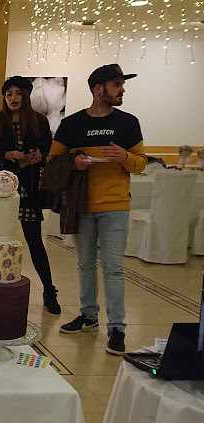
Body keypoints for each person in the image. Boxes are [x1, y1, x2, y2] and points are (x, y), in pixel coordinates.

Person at [50, 64, 146, 355]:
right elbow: (53, 161)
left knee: (113, 268)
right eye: (117, 85)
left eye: (121, 85)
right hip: (81, 205)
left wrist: (124, 156)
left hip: (115, 206)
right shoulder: (73, 124)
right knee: (85, 264)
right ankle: (88, 316)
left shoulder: (128, 123)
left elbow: (141, 163)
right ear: (97, 89)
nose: (122, 90)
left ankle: (117, 328)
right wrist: (75, 161)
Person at [0, 76, 61, 315]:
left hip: (27, 187)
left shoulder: (39, 122)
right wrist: (7, 154)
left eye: (17, 93)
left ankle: (49, 290)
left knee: (34, 241)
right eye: (8, 94)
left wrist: (37, 157)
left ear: (26, 95)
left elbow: (47, 151)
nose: (13, 98)